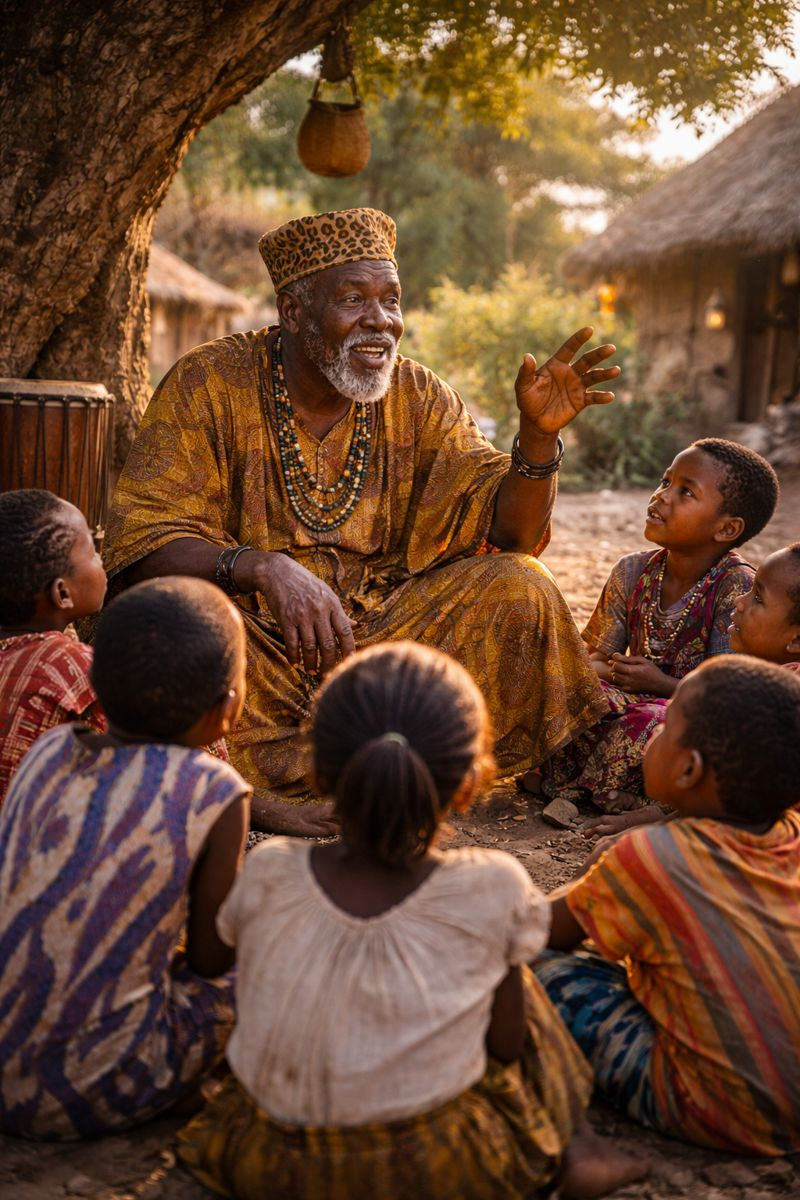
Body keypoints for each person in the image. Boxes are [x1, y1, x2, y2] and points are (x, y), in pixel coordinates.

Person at [104, 207, 621, 836]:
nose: (381, 321)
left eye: (392, 300)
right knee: (170, 617)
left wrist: (537, 442)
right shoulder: (208, 383)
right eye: (353, 299)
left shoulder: (420, 395)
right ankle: (275, 787)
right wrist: (264, 568)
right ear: (293, 311)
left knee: (524, 585)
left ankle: (376, 759)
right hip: (257, 648)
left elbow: (509, 537)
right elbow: (141, 542)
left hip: (380, 634)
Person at [177, 641, 648, 1200]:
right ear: (470, 782)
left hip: (267, 1160)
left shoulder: (269, 870)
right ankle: (580, 1147)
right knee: (519, 967)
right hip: (433, 1164)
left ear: (320, 772)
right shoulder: (491, 886)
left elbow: (216, 962)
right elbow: (504, 1045)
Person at [0, 577, 250, 1138]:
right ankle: (170, 1083)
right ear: (227, 706)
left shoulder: (49, 750)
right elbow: (211, 960)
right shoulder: (214, 789)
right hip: (92, 1091)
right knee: (263, 969)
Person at [536, 655, 800, 1157]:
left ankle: (572, 1143)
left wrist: (595, 875)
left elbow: (543, 931)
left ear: (687, 769)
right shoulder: (793, 835)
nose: (653, 735)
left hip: (719, 1110)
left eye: (666, 724)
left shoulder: (655, 857)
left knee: (529, 971)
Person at [523, 438, 778, 815]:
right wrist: (584, 674)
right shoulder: (632, 571)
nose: (661, 497)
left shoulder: (734, 587)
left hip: (687, 714)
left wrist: (660, 685)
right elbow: (595, 659)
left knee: (654, 722)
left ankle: (599, 791)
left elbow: (724, 697)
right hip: (631, 702)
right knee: (568, 687)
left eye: (686, 492)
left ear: (726, 529)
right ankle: (600, 789)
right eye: (664, 482)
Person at [0, 489, 108, 805]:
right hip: (36, 846)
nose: (100, 559)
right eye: (92, 552)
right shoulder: (77, 668)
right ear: (62, 593)